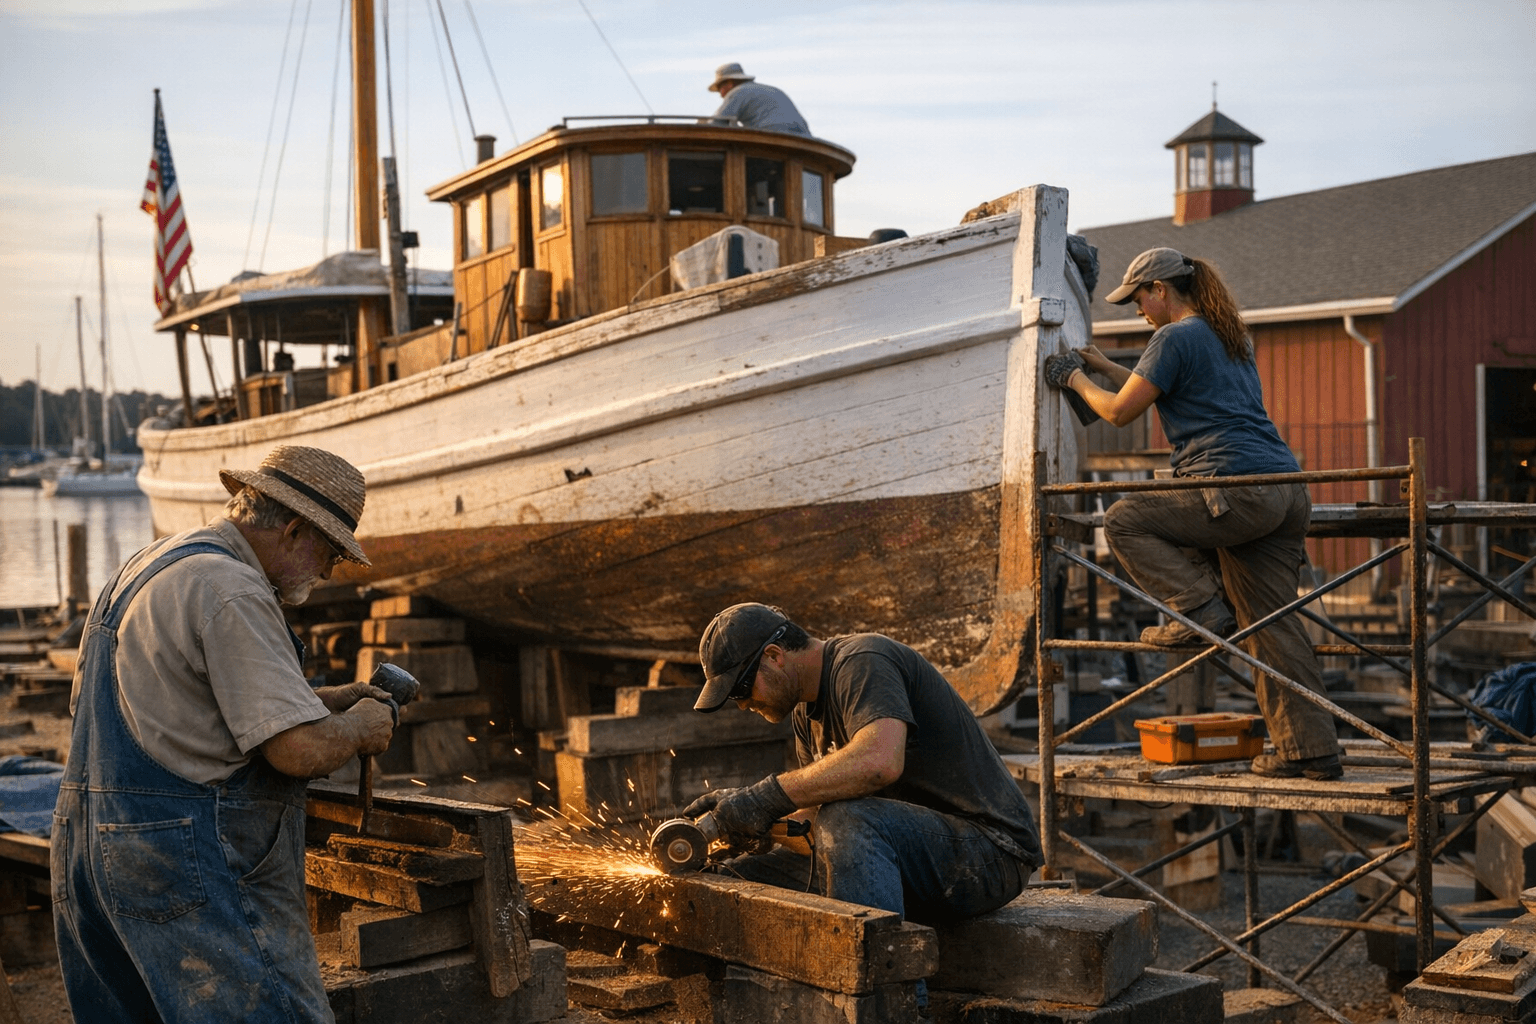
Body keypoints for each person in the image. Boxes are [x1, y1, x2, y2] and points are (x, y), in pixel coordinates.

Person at [52, 445, 397, 1022]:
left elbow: (175, 704)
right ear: (291, 531)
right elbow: (298, 750)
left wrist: (317, 702)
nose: (329, 570)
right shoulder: (231, 589)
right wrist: (359, 729)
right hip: (178, 859)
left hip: (84, 853)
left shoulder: (145, 567)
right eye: (330, 550)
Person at [1043, 246, 1342, 781]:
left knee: (1125, 520)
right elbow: (1157, 384)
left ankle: (1199, 609)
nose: (1138, 311)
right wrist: (1104, 365)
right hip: (1284, 489)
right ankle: (1311, 751)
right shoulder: (1228, 334)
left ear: (1160, 290)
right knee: (1271, 624)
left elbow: (1116, 411)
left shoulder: (1173, 336)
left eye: (1138, 299)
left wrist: (1072, 378)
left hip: (1234, 488)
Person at [684, 603, 1041, 926]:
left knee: (849, 819)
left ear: (774, 656)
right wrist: (761, 826)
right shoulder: (805, 717)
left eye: (741, 690)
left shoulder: (863, 659)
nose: (743, 705)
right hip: (907, 855)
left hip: (989, 854)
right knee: (737, 880)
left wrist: (762, 799)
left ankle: (883, 991)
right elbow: (817, 830)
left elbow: (879, 762)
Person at [704, 62, 811, 136]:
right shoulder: (773, 90)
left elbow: (716, 123)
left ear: (730, 83)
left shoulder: (738, 92)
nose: (721, 95)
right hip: (804, 138)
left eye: (720, 89)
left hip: (774, 137)